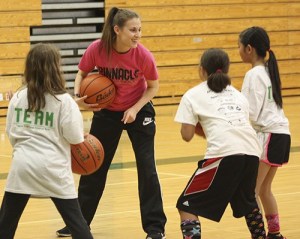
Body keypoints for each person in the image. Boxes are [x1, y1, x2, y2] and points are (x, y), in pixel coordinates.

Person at [56, 7, 167, 239]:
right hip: (107, 112)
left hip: (138, 109)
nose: (138, 35)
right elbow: (81, 74)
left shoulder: (143, 55)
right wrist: (79, 97)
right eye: (133, 30)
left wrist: (135, 109)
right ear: (117, 30)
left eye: (140, 30)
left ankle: (155, 228)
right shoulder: (97, 49)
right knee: (92, 166)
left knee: (147, 170)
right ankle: (79, 223)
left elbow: (154, 86)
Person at [0, 43, 93, 239]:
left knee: (5, 225)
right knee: (77, 224)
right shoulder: (65, 101)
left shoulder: (18, 97)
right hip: (53, 168)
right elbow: (75, 138)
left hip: (22, 166)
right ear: (55, 68)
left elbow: (11, 132)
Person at [174, 48, 267, 239]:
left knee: (186, 205)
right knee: (248, 203)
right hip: (252, 152)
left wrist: (200, 127)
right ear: (226, 69)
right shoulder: (238, 94)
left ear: (201, 70)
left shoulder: (192, 95)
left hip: (224, 154)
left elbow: (187, 135)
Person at [238, 26, 291, 239]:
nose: (239, 51)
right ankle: (275, 233)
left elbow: (250, 112)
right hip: (281, 135)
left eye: (239, 47)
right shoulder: (269, 71)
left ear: (249, 49)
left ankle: (259, 235)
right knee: (264, 189)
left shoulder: (254, 75)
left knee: (250, 193)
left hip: (268, 136)